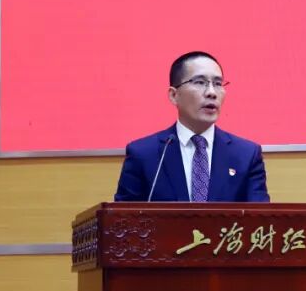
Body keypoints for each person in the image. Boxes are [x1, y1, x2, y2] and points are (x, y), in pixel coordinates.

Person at [114, 51, 270, 202]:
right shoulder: (143, 154)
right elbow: (122, 217)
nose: (212, 92)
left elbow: (260, 217)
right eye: (200, 82)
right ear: (174, 95)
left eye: (218, 84)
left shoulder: (246, 155)